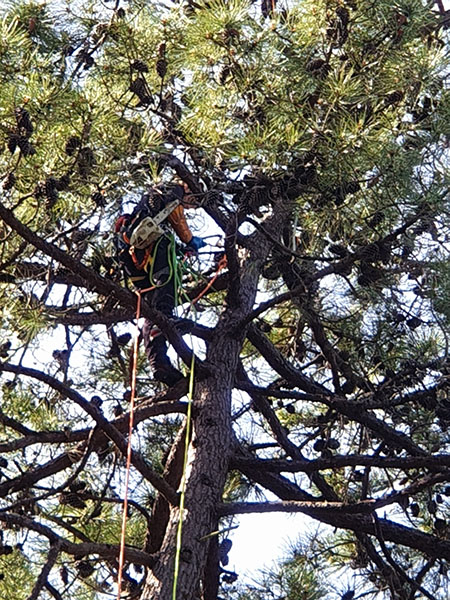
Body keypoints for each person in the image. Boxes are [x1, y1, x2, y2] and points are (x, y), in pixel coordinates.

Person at [115, 183, 204, 386]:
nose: (192, 207)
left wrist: (184, 248)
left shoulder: (143, 207)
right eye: (194, 202)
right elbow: (176, 215)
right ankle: (166, 321)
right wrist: (190, 241)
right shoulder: (174, 189)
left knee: (151, 307)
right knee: (168, 282)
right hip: (152, 243)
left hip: (132, 256)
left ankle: (159, 363)